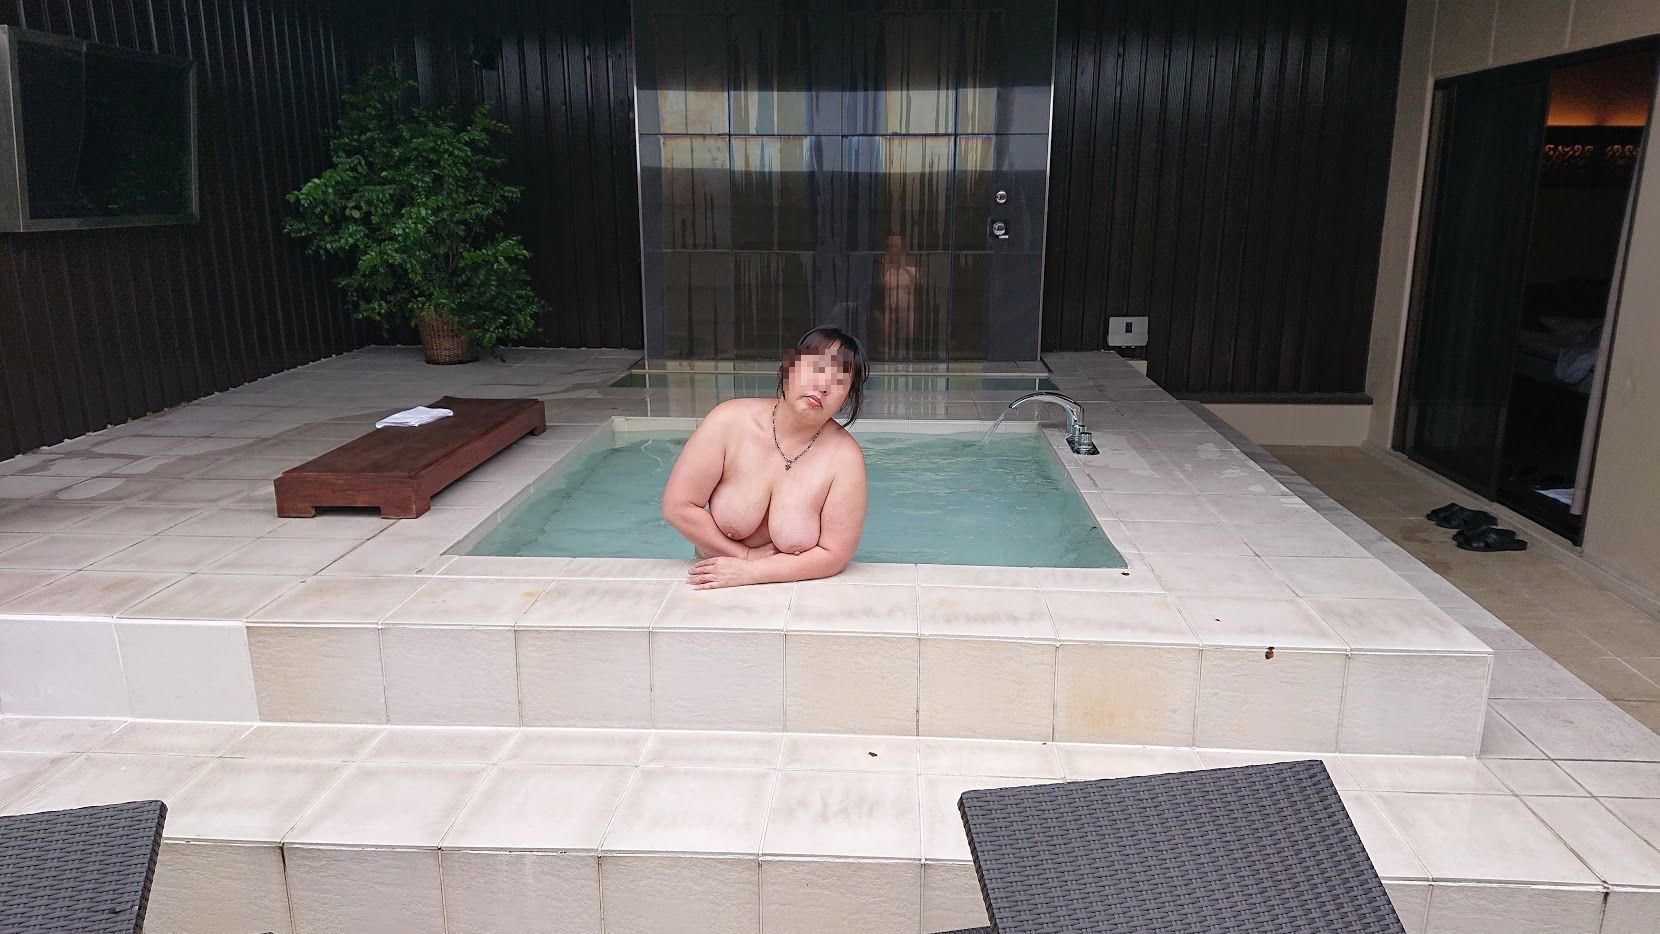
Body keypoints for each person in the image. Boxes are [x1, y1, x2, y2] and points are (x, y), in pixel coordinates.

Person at [662, 326, 869, 589]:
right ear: (789, 367)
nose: (823, 387)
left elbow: (835, 555)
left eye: (839, 382)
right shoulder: (728, 422)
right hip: (712, 580)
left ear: (847, 398)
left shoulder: (845, 458)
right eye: (816, 369)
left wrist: (752, 571)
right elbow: (678, 506)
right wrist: (743, 556)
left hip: (796, 592)